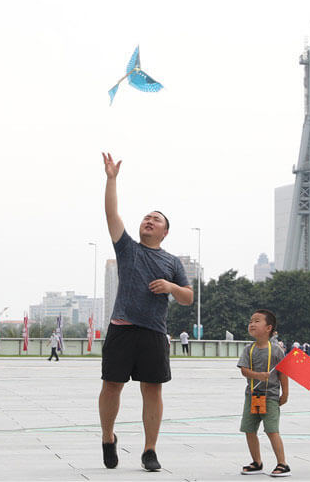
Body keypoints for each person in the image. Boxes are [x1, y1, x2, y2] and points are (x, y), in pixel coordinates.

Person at [98, 153, 193, 472]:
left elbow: (188, 298)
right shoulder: (127, 248)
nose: (148, 221)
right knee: (111, 385)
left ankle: (150, 449)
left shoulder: (172, 263)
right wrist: (111, 179)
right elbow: (111, 214)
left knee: (152, 390)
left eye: (156, 220)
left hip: (153, 332)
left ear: (165, 232)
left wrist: (171, 287)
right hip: (121, 328)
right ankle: (108, 436)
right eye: (146, 218)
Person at [237, 309, 290, 477]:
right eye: (251, 321)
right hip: (252, 396)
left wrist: (285, 394)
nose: (252, 324)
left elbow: (283, 373)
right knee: (249, 429)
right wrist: (258, 375)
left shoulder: (276, 350)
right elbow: (244, 370)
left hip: (270, 397)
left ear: (268, 328)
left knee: (271, 430)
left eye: (257, 321)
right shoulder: (248, 349)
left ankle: (282, 463)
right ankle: (257, 462)